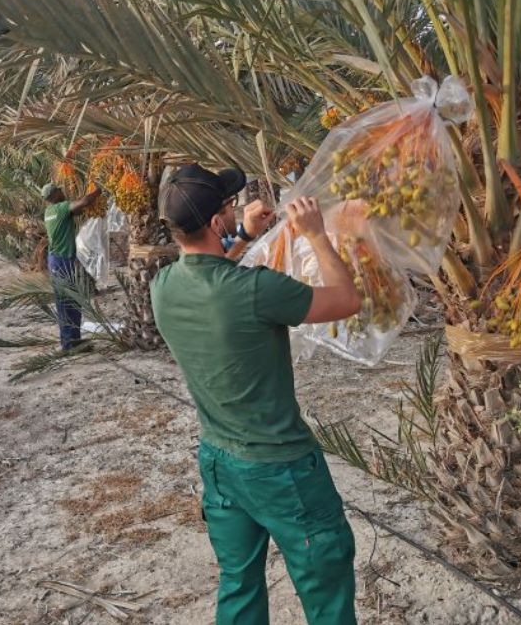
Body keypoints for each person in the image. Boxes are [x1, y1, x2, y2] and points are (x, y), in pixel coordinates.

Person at [150, 163, 362, 625]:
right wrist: (315, 234)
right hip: (282, 469)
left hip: (219, 464)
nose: (235, 210)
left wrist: (243, 235)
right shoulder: (257, 290)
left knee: (239, 584)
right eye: (229, 207)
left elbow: (210, 276)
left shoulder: (163, 287)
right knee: (326, 584)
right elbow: (346, 300)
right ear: (214, 223)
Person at [41, 181, 101, 351]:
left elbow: (80, 209)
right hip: (61, 261)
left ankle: (74, 340)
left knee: (73, 301)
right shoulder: (60, 208)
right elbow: (83, 203)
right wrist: (98, 190)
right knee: (65, 302)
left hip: (58, 260)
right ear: (55, 195)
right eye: (60, 190)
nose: (63, 191)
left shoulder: (50, 212)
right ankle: (68, 344)